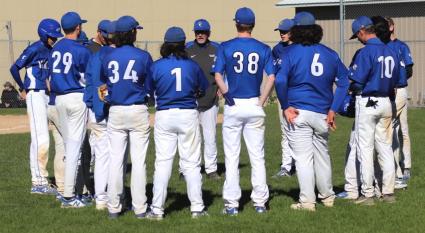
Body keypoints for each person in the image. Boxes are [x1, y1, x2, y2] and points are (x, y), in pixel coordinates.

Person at [275, 11, 349, 211]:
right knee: (322, 156)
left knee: (303, 159)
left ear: (296, 31)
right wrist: (334, 109)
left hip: (298, 111)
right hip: (322, 113)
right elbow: (344, 82)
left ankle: (308, 201)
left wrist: (284, 106)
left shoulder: (289, 53)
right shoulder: (329, 53)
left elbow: (280, 80)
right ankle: (327, 197)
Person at [213, 7, 276, 215]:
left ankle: (232, 204)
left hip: (234, 104)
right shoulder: (263, 48)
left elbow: (218, 76)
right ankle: (259, 202)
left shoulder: (226, 46)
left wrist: (227, 95)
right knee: (257, 156)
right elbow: (272, 77)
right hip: (253, 103)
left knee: (232, 157)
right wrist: (262, 100)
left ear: (236, 24)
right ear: (253, 25)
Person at [148, 26, 209, 220]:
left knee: (163, 163)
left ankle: (157, 210)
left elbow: (149, 92)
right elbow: (203, 88)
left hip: (165, 114)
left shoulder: (157, 66)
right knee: (191, 163)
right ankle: (197, 208)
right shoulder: (192, 65)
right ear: (183, 44)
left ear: (165, 45)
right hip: (187, 113)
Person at [349, 16, 406, 205]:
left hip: (368, 102)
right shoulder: (392, 51)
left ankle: (368, 194)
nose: (358, 38)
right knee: (385, 147)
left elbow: (357, 82)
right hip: (387, 102)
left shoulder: (366, 52)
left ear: (362, 31)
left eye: (357, 34)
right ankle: (388, 192)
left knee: (365, 148)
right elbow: (399, 81)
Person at [100, 15, 152, 219]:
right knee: (138, 162)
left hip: (116, 110)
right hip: (137, 108)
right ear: (131, 33)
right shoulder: (143, 55)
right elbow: (149, 83)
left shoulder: (108, 56)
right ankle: (140, 209)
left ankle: (113, 208)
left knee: (115, 160)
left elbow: (104, 85)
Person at [9, 18, 63, 195]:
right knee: (42, 139)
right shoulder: (34, 49)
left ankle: (38, 180)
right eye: (52, 36)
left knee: (41, 139)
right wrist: (22, 88)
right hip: (34, 94)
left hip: (45, 95)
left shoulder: (51, 50)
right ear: (43, 34)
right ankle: (39, 182)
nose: (54, 39)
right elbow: (14, 68)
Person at [49, 11, 91, 208]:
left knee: (69, 145)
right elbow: (87, 78)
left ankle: (72, 192)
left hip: (59, 99)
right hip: (76, 97)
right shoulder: (81, 50)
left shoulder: (56, 48)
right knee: (75, 147)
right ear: (78, 27)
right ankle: (68, 196)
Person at [84, 20, 116, 210]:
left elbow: (89, 84)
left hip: (95, 111)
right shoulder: (118, 55)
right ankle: (116, 198)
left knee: (101, 156)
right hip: (114, 112)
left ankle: (101, 199)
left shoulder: (95, 56)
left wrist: (91, 105)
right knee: (116, 156)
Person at [186, 19, 221, 179]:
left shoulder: (217, 49)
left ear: (209, 33)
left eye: (203, 32)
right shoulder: (187, 49)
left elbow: (223, 71)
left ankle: (211, 169)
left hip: (210, 98)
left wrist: (222, 88)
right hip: (191, 101)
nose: (200, 34)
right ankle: (187, 168)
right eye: (197, 32)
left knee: (210, 137)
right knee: (191, 138)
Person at [386, 17, 414, 187]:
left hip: (400, 90)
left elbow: (409, 70)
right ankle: (396, 169)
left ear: (392, 26)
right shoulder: (383, 47)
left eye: (388, 24)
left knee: (402, 129)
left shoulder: (401, 46)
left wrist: (397, 82)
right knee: (392, 129)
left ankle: (406, 166)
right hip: (390, 91)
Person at [271, 18, 296, 179]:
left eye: (285, 31)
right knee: (285, 131)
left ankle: (302, 164)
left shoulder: (300, 47)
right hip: (283, 94)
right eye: (280, 31)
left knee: (301, 130)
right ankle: (286, 166)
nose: (282, 34)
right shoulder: (277, 49)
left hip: (298, 94)